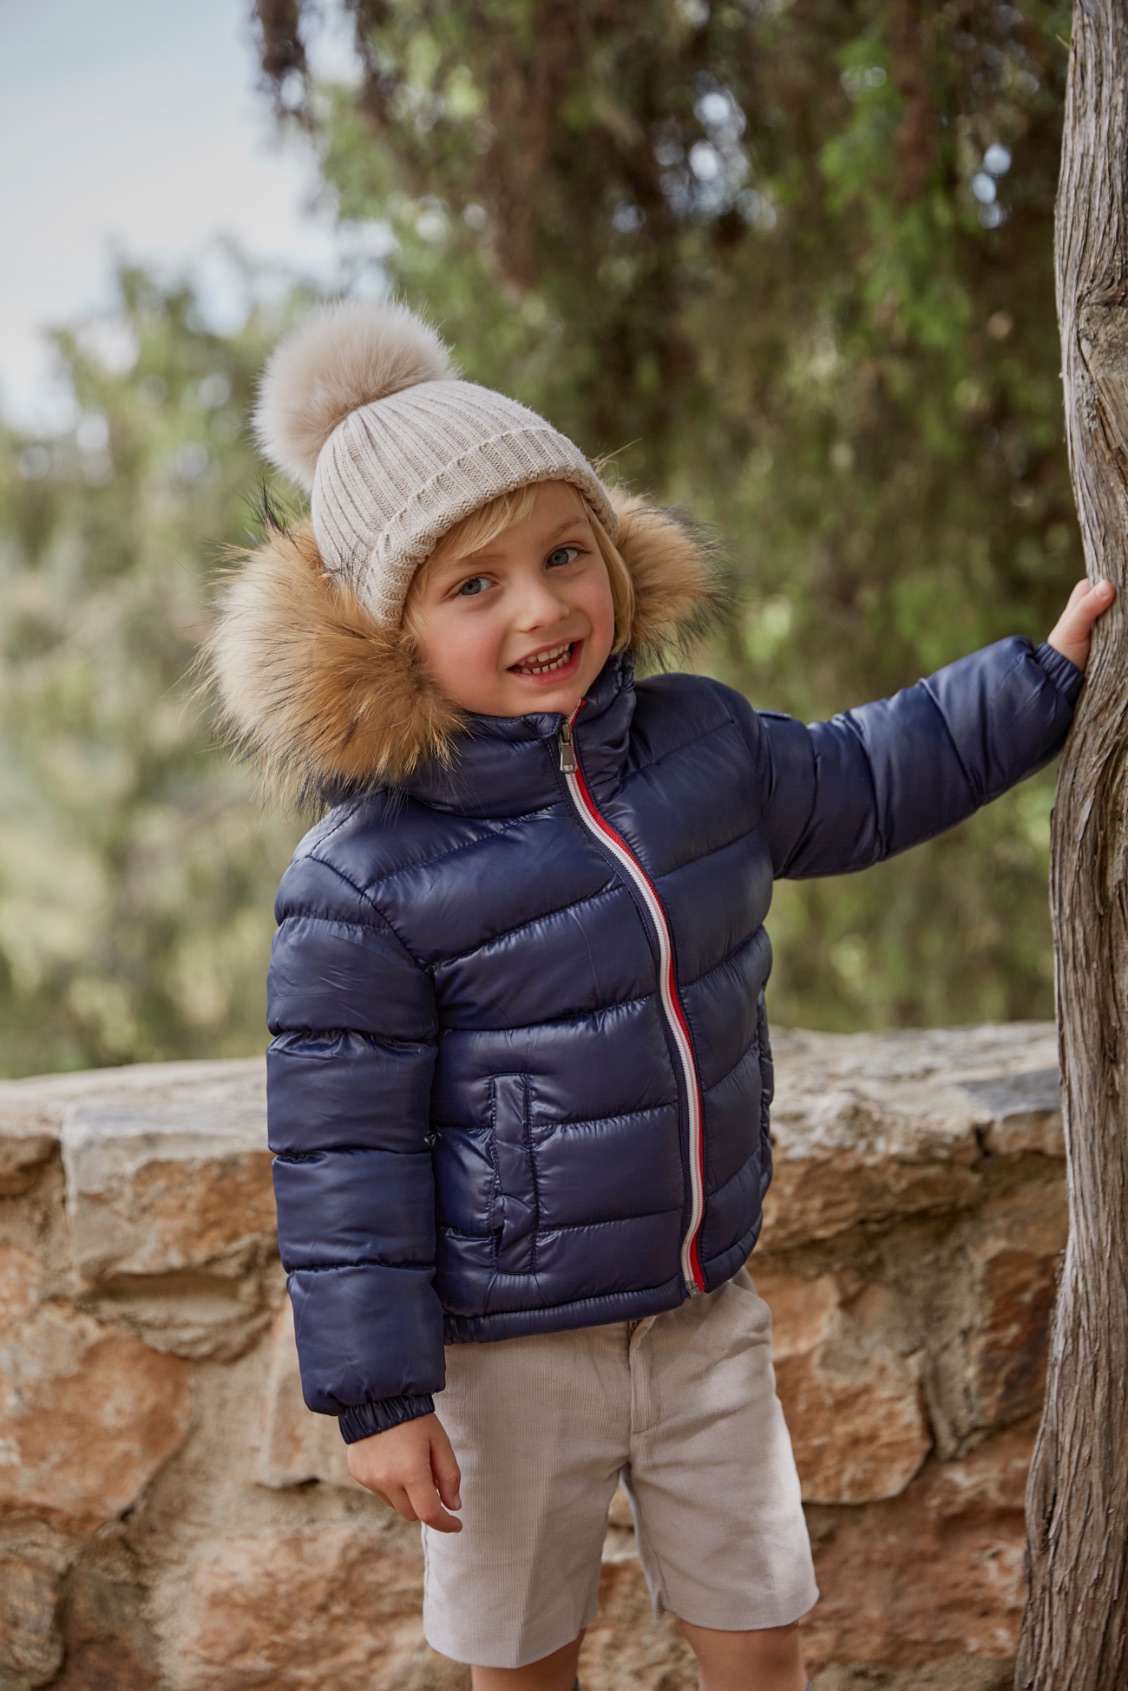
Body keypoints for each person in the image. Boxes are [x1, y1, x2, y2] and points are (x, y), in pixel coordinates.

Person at [208, 298, 1113, 1691]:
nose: (542, 606)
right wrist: (380, 1396)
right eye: (474, 585)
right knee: (520, 1654)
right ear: (388, 634)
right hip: (504, 1358)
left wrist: (1039, 680)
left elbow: (873, 777)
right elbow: (343, 1150)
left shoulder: (704, 747)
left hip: (701, 1311)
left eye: (567, 553)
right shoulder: (365, 874)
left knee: (757, 1627)